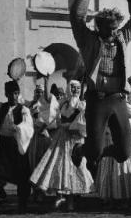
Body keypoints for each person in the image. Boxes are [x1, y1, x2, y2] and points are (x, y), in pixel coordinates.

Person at [69, 0, 131, 174]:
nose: (113, 32)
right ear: (99, 27)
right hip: (97, 99)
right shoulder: (87, 40)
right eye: (109, 28)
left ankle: (94, 152)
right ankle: (83, 150)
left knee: (124, 153)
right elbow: (76, 17)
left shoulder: (122, 38)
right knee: (94, 152)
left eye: (115, 27)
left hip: (118, 99)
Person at [31, 80, 94, 211]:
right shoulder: (63, 102)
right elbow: (50, 107)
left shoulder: (82, 105)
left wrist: (73, 127)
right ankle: (60, 196)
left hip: (74, 139)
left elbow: (84, 123)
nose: (75, 90)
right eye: (73, 88)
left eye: (77, 88)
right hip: (61, 137)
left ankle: (70, 200)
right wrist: (47, 80)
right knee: (59, 165)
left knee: (73, 167)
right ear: (68, 89)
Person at [0, 80, 35, 212]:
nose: (13, 96)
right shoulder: (1, 107)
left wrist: (19, 128)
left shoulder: (23, 109)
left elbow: (28, 126)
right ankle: (1, 193)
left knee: (22, 175)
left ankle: (22, 202)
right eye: (10, 94)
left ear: (18, 94)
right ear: (6, 94)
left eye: (16, 93)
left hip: (16, 145)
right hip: (2, 144)